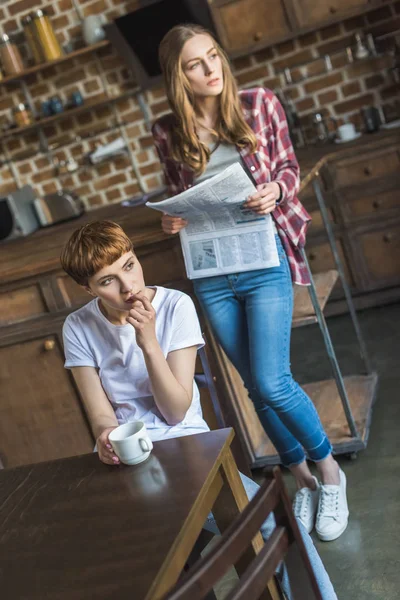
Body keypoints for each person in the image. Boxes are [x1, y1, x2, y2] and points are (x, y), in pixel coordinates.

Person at [60, 219, 337, 600]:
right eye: (107, 280)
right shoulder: (77, 326)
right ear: (86, 288)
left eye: (128, 265)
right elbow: (101, 415)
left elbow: (175, 412)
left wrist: (148, 342)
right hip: (130, 468)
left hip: (190, 451)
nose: (128, 286)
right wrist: (106, 436)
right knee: (155, 569)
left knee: (277, 524)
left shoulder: (176, 306)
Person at [151, 23, 349, 543]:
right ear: (178, 75)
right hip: (213, 273)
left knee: (272, 380)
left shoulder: (258, 103)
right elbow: (179, 194)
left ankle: (330, 472)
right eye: (195, 64)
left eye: (213, 56)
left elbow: (287, 165)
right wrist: (171, 221)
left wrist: (276, 191)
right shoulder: (168, 130)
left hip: (264, 261)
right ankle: (301, 478)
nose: (211, 69)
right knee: (252, 385)